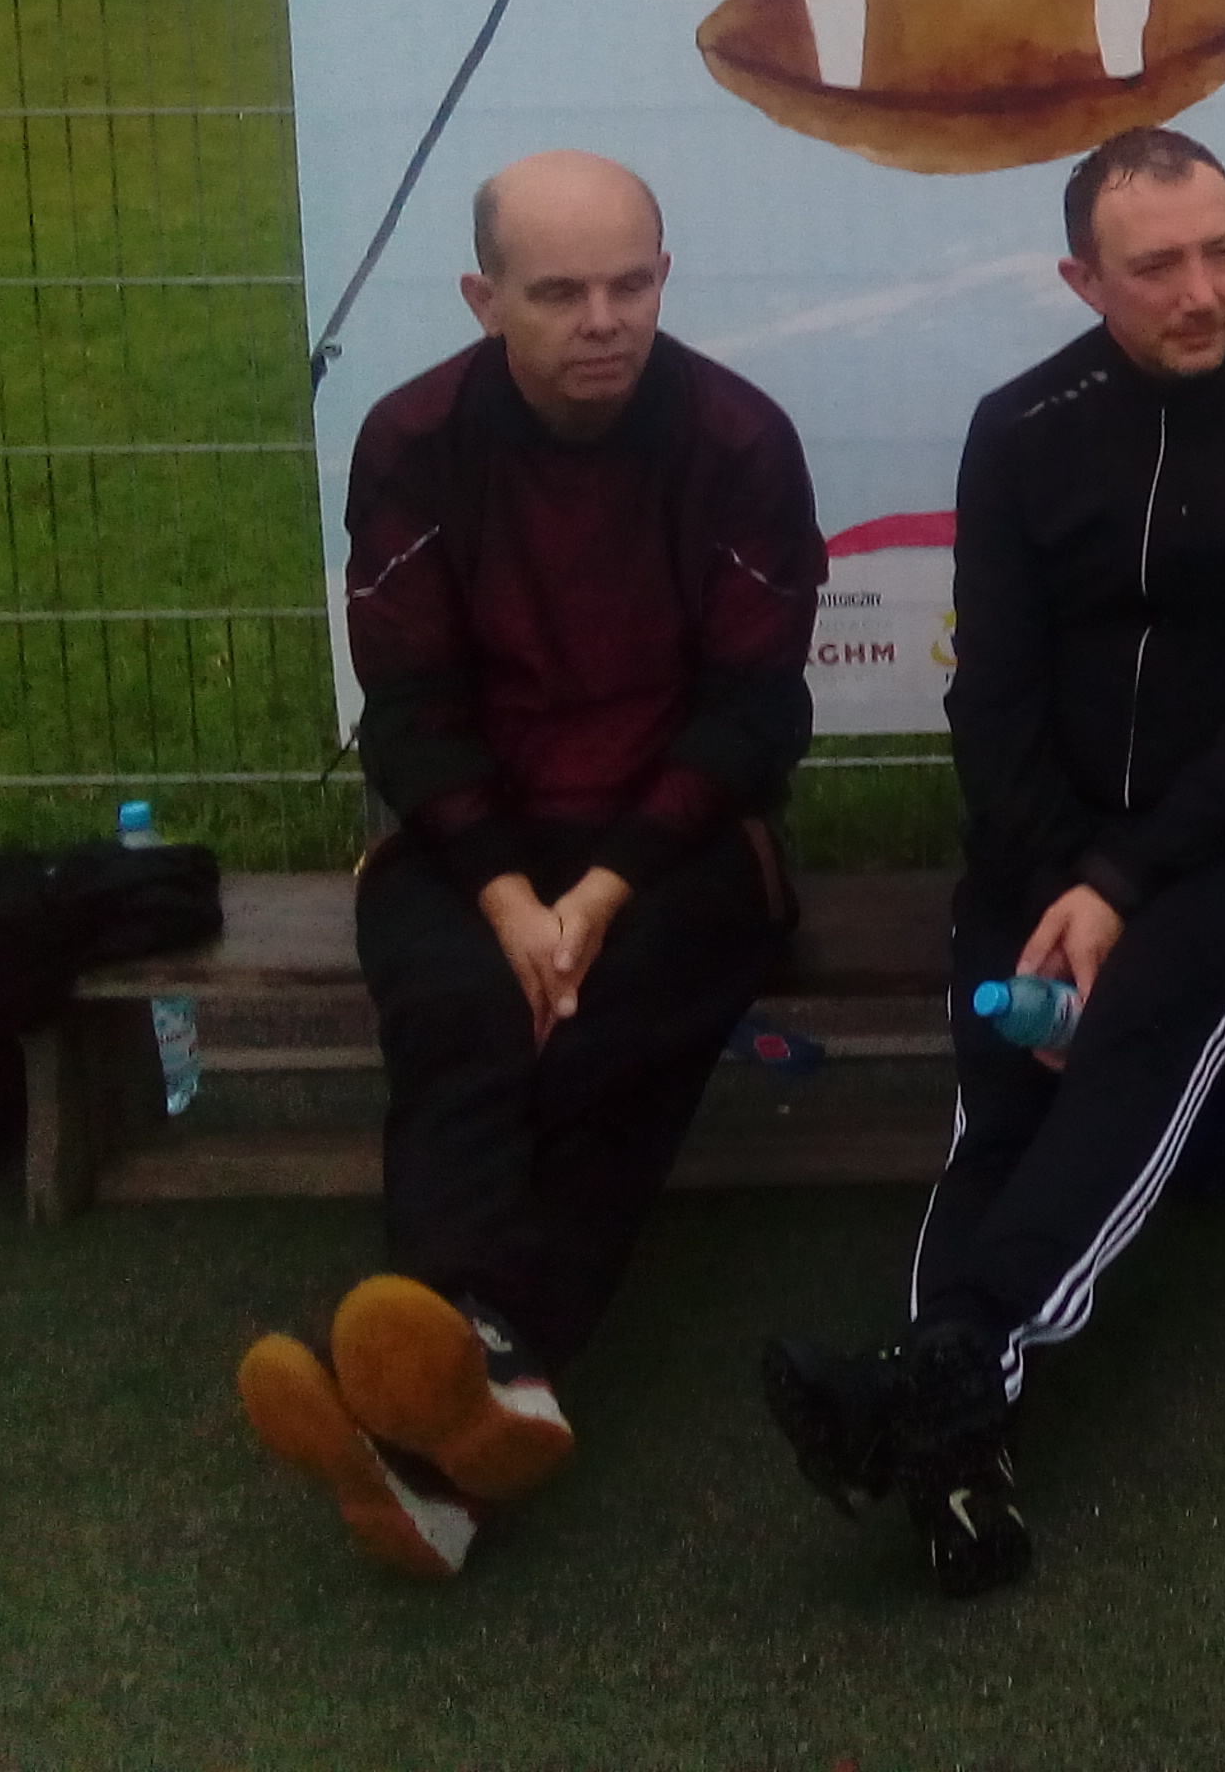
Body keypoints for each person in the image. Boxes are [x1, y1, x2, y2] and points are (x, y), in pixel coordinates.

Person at [762, 127, 1225, 1596]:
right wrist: (1062, 879)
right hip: (1041, 849)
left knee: (1134, 1030)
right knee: (1003, 1096)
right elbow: (992, 692)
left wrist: (1123, 885)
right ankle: (954, 1441)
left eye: (1221, 251)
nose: (1201, 291)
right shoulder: (1022, 427)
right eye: (1156, 266)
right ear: (1081, 279)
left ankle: (952, 1355)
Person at [239, 152, 823, 1581]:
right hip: (470, 839)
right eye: (559, 293)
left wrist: (601, 894)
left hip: (682, 843)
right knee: (460, 1016)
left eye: (629, 285)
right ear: (481, 296)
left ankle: (438, 1381)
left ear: (664, 280)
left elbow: (755, 715)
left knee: (599, 1027)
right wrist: (511, 902)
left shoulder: (741, 439)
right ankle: (485, 1386)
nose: (602, 320)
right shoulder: (413, 439)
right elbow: (410, 710)